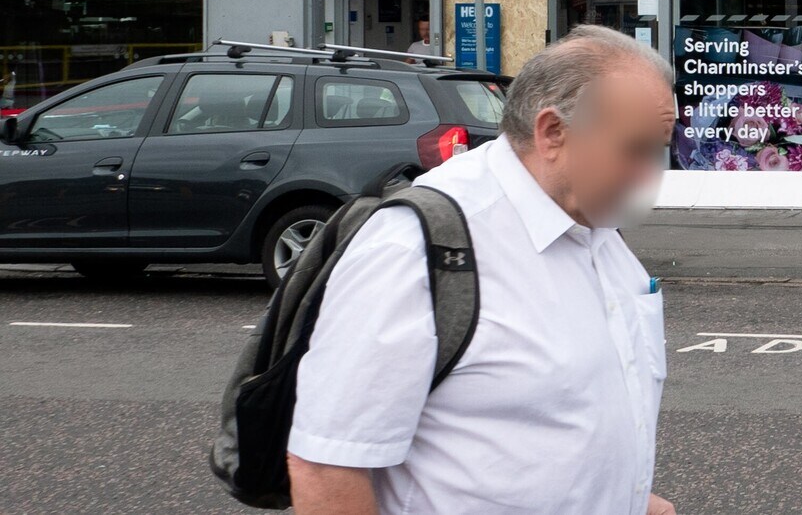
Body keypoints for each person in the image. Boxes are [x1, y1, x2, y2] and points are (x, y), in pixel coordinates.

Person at [287, 26, 680, 515]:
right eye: (635, 150)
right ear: (553, 132)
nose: (651, 176)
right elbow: (327, 465)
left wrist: (628, 500)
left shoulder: (595, 226)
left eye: (657, 151)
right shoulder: (418, 247)